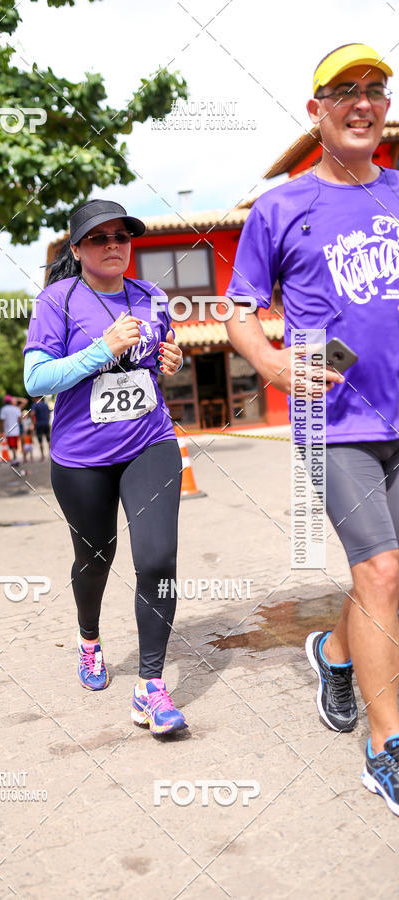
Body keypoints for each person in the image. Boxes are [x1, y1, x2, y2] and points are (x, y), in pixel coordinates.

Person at [225, 44, 399, 814]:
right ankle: (384, 747)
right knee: (381, 573)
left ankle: (334, 652)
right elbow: (238, 311)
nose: (364, 103)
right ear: (317, 111)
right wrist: (267, 361)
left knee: (394, 585)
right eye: (346, 92)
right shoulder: (281, 208)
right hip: (336, 421)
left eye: (377, 89)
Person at [24, 198, 187, 735]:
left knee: (158, 558)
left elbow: (158, 358)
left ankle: (150, 687)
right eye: (100, 238)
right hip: (81, 459)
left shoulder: (152, 297)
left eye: (122, 235)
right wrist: (101, 348)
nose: (114, 245)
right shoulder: (57, 300)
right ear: (77, 249)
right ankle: (89, 639)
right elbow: (37, 380)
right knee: (96, 559)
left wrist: (171, 361)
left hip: (150, 442)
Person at [0, 395, 26, 462]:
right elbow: (20, 420)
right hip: (16, 430)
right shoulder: (16, 408)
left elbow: (2, 421)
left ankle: (15, 459)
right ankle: (16, 458)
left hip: (8, 431)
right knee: (15, 445)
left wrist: (1, 431)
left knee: (12, 446)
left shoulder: (3, 409)